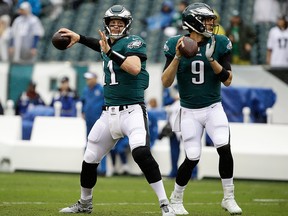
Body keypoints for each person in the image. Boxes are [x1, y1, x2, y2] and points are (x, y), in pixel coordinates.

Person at [58, 5, 175, 215]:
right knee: (89, 157)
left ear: (127, 25)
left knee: (141, 153)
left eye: (119, 23)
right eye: (112, 23)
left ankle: (165, 204)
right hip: (109, 113)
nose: (115, 26)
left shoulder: (134, 42)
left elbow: (134, 67)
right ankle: (85, 203)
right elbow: (102, 46)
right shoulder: (108, 46)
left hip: (132, 111)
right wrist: (80, 38)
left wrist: (109, 51)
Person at [162, 3, 242, 215]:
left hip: (213, 106)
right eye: (206, 19)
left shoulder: (220, 42)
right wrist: (178, 57)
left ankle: (229, 197)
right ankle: (176, 199)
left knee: (224, 147)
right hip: (189, 110)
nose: (211, 23)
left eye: (210, 19)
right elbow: (165, 82)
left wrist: (211, 60)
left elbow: (228, 80)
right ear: (193, 22)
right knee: (192, 157)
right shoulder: (174, 43)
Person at [81, 71, 106, 175]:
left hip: (99, 120)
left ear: (95, 78)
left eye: (90, 78)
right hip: (89, 120)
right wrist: (83, 111)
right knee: (89, 143)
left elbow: (105, 102)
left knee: (101, 143)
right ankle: (89, 168)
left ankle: (103, 169)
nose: (88, 81)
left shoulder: (101, 89)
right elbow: (83, 102)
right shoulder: (86, 90)